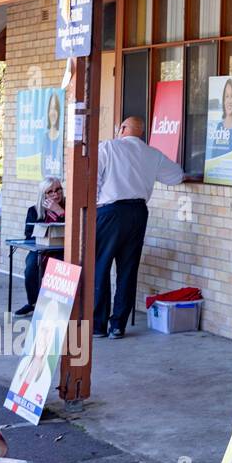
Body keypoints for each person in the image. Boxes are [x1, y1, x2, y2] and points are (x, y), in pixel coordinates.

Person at [94, 117, 184, 338]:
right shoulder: (152, 154)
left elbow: (92, 178)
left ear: (122, 129)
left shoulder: (108, 147)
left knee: (100, 267)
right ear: (141, 133)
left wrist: (96, 205)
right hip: (138, 213)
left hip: (110, 212)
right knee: (128, 270)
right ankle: (118, 325)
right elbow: (177, 176)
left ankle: (98, 326)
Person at [16, 177, 64, 316]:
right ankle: (33, 303)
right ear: (43, 195)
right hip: (41, 249)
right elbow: (29, 234)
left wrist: (59, 211)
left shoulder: (68, 207)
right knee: (31, 268)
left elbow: (74, 228)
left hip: (62, 249)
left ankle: (54, 308)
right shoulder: (34, 210)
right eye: (50, 192)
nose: (55, 194)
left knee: (58, 266)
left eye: (58, 190)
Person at [208, 78, 232, 158]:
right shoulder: (219, 127)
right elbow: (213, 155)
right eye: (227, 96)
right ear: (223, 100)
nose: (229, 100)